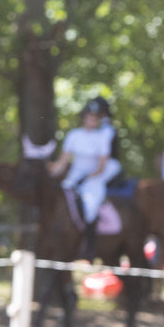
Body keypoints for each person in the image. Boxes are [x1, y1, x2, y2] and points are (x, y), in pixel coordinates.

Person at [48, 97, 120, 260]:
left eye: (96, 116)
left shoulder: (102, 137)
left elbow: (101, 166)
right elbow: (62, 162)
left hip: (93, 178)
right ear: (84, 117)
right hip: (74, 177)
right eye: (90, 115)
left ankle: (89, 247)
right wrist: (47, 171)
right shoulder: (74, 135)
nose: (93, 119)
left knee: (90, 209)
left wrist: (86, 178)